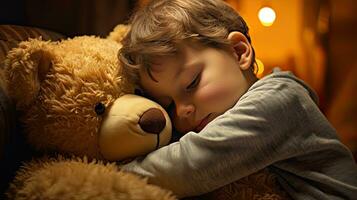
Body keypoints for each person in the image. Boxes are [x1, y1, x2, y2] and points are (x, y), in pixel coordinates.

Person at [118, 0, 357, 199]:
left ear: (238, 51)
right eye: (168, 105)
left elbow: (191, 165)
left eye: (192, 83)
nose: (181, 112)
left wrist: (107, 173)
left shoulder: (279, 100)